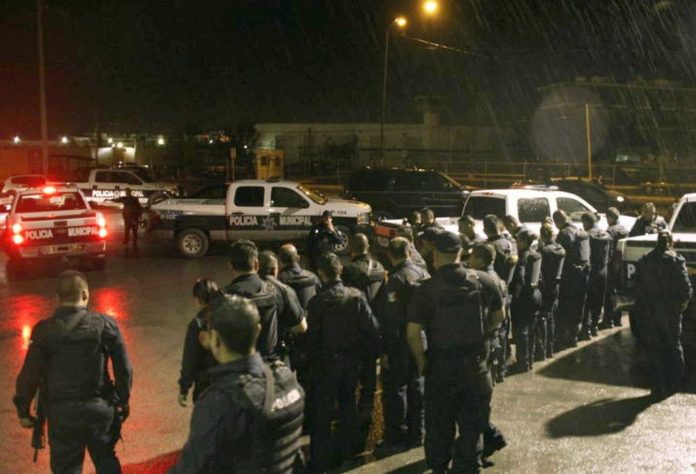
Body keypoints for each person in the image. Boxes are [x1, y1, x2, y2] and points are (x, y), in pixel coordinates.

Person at [14, 271, 132, 473]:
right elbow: (124, 368)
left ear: (58, 297)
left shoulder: (43, 330)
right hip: (99, 409)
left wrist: (23, 410)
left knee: (66, 467)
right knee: (106, 460)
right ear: (85, 294)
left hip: (62, 414)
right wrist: (123, 399)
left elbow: (29, 375)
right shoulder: (105, 325)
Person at [171, 294, 305, 473]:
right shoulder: (287, 381)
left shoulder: (220, 402)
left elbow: (191, 468)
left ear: (215, 339)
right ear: (257, 331)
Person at [407, 232, 505, 473]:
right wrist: (485, 335)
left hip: (441, 369)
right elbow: (499, 317)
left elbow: (412, 333)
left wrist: (422, 361)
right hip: (476, 367)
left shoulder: (426, 289)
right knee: (472, 428)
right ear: (461, 253)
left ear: (436, 256)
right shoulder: (484, 281)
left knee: (439, 426)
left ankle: (439, 466)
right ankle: (468, 466)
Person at [306, 252, 380, 472]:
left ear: (321, 273)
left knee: (323, 411)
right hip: (351, 361)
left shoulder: (317, 302)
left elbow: (311, 338)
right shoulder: (356, 296)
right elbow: (372, 328)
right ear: (340, 270)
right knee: (348, 404)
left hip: (326, 363)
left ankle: (321, 458)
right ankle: (350, 449)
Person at [374, 237, 430, 450]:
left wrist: (385, 350)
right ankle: (418, 432)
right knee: (418, 386)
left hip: (399, 341)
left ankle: (395, 435)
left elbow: (390, 318)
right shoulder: (423, 273)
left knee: (396, 389)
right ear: (409, 251)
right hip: (422, 338)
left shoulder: (396, 280)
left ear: (390, 255)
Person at [633, 231, 692, 400]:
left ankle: (658, 386)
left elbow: (638, 287)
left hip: (651, 310)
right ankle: (675, 383)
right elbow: (685, 288)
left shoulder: (644, 260)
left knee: (654, 348)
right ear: (670, 243)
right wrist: (683, 304)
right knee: (673, 345)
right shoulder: (676, 260)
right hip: (671, 310)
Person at [222, 240, 305, 360]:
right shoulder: (279, 290)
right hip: (271, 363)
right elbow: (301, 327)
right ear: (256, 264)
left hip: (235, 365)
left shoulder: (222, 297)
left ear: (230, 266)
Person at [341, 233, 386, 447]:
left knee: (351, 378)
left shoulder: (349, 270)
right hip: (375, 329)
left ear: (352, 249)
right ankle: (366, 413)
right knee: (369, 377)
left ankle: (351, 421)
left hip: (355, 332)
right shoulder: (379, 267)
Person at [466, 243, 508, 462]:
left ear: (481, 260)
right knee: (481, 398)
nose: (468, 260)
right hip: (493, 341)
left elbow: (497, 316)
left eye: (472, 256)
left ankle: (489, 438)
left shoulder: (484, 280)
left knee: (478, 400)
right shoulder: (495, 278)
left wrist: (483, 333)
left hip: (486, 343)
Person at [258, 251, 308, 362]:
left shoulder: (245, 288)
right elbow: (301, 327)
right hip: (275, 355)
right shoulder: (284, 290)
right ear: (275, 270)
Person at [178, 278, 219, 407]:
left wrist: (184, 388)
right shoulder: (228, 317)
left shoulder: (197, 325)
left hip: (205, 383)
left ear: (197, 299)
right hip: (227, 380)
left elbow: (189, 359)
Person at [553, 209, 590, 350]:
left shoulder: (563, 234)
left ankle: (564, 338)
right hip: (583, 273)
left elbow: (559, 255)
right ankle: (574, 337)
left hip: (569, 276)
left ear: (557, 222)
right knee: (578, 306)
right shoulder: (578, 229)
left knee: (566, 307)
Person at [509, 229, 542, 373]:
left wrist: (515, 296)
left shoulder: (522, 257)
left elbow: (520, 279)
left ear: (522, 242)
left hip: (523, 297)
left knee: (521, 330)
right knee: (531, 328)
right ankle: (530, 359)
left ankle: (522, 361)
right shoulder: (536, 255)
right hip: (536, 294)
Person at [580, 212, 612, 339]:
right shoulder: (607, 235)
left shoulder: (586, 235)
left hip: (591, 271)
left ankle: (586, 329)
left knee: (588, 300)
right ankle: (594, 326)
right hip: (603, 270)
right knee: (599, 299)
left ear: (586, 222)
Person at [538, 225, 566, 359]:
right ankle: (551, 347)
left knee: (543, 317)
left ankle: (543, 349)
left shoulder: (544, 251)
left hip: (545, 287)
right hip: (556, 286)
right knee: (552, 317)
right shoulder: (561, 249)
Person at [600, 207, 629, 329]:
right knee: (618, 292)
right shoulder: (624, 230)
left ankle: (608, 320)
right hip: (623, 265)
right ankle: (618, 319)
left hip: (612, 266)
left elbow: (609, 251)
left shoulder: (610, 231)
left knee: (610, 294)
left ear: (610, 217)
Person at [277, 243, 322, 310]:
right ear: (298, 258)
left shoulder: (278, 280)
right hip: (311, 315)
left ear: (279, 260)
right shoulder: (313, 277)